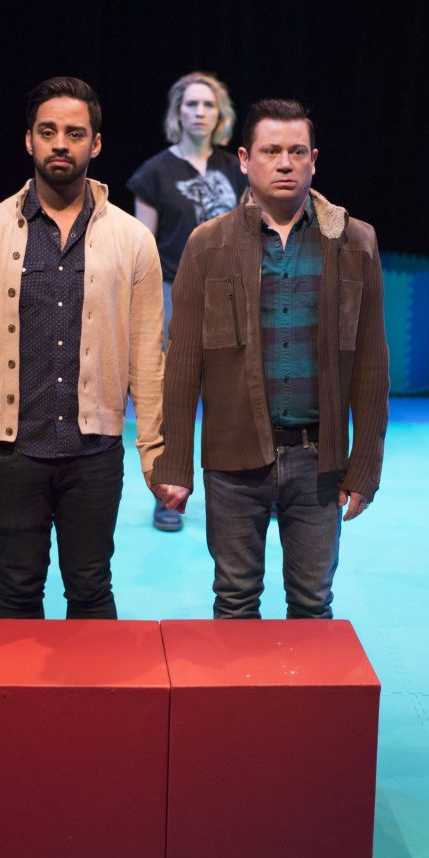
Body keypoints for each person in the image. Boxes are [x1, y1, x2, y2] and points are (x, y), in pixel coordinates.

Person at [151, 99, 389, 619]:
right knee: (234, 600)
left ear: (313, 160)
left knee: (312, 603)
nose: (284, 162)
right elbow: (183, 362)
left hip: (320, 462)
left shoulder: (353, 242)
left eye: (296, 151)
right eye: (271, 150)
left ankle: (309, 705)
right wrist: (173, 464)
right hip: (232, 461)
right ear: (244, 158)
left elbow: (372, 366)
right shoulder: (207, 245)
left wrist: (365, 466)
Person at [0, 76, 164, 620]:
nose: (60, 143)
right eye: (48, 131)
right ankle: (15, 708)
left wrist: (157, 451)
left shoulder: (133, 239)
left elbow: (147, 354)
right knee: (17, 590)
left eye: (74, 132)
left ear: (96, 144)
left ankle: (99, 707)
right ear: (29, 141)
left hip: (94, 454)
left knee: (91, 589)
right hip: (13, 453)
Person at [127, 71, 247, 531]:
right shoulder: (154, 173)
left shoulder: (235, 168)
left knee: (235, 393)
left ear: (220, 115)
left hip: (230, 293)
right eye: (191, 104)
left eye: (208, 105)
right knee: (171, 398)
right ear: (177, 112)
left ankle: (246, 489)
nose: (200, 112)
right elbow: (143, 247)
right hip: (172, 292)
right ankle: (167, 492)